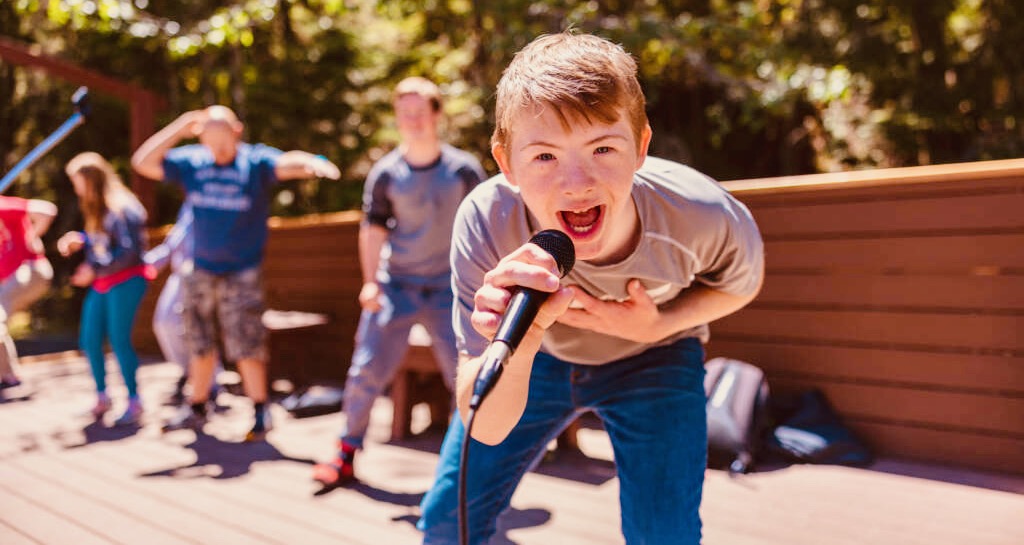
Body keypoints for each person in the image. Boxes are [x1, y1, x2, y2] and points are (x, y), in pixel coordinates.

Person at [416, 32, 765, 545]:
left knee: (665, 534)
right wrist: (524, 337)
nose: (576, 182)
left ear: (641, 146)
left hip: (656, 356)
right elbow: (485, 427)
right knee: (446, 523)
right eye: (544, 157)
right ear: (505, 162)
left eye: (603, 147)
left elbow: (741, 285)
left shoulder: (700, 213)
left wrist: (658, 323)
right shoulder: (488, 222)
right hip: (539, 357)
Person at [312, 76, 486, 487]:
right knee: (366, 369)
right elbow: (372, 230)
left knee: (467, 373)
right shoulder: (386, 173)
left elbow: (484, 228)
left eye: (420, 112)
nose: (413, 120)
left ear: (436, 115)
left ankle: (476, 463)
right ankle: (345, 454)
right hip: (396, 285)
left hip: (450, 288)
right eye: (405, 113)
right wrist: (370, 282)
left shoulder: (463, 170)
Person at [131, 105, 341, 442]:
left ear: (236, 129)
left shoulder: (253, 162)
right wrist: (181, 125)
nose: (214, 134)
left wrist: (311, 163)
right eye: (207, 128)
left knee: (246, 341)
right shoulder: (192, 162)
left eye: (220, 126)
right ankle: (198, 405)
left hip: (242, 272)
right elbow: (142, 162)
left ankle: (260, 409)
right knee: (199, 341)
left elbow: (286, 162)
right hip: (200, 270)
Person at [58, 152, 153, 426]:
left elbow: (129, 252)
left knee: (119, 340)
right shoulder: (98, 207)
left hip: (126, 280)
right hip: (105, 281)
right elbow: (104, 243)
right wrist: (83, 240)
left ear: (91, 180)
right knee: (89, 338)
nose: (76, 188)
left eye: (78, 182)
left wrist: (94, 270)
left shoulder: (122, 207)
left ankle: (135, 401)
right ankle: (102, 396)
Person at [143, 204, 222, 405]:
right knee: (164, 323)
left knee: (200, 331)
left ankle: (210, 383)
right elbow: (173, 244)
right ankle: (190, 372)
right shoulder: (188, 206)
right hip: (179, 277)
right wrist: (144, 264)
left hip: (204, 276)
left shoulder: (215, 200)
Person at [0, 195, 57, 391]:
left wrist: (32, 236)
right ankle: (8, 375)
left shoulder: (3, 205)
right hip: (13, 278)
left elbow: (47, 209)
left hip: (29, 270)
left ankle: (8, 374)